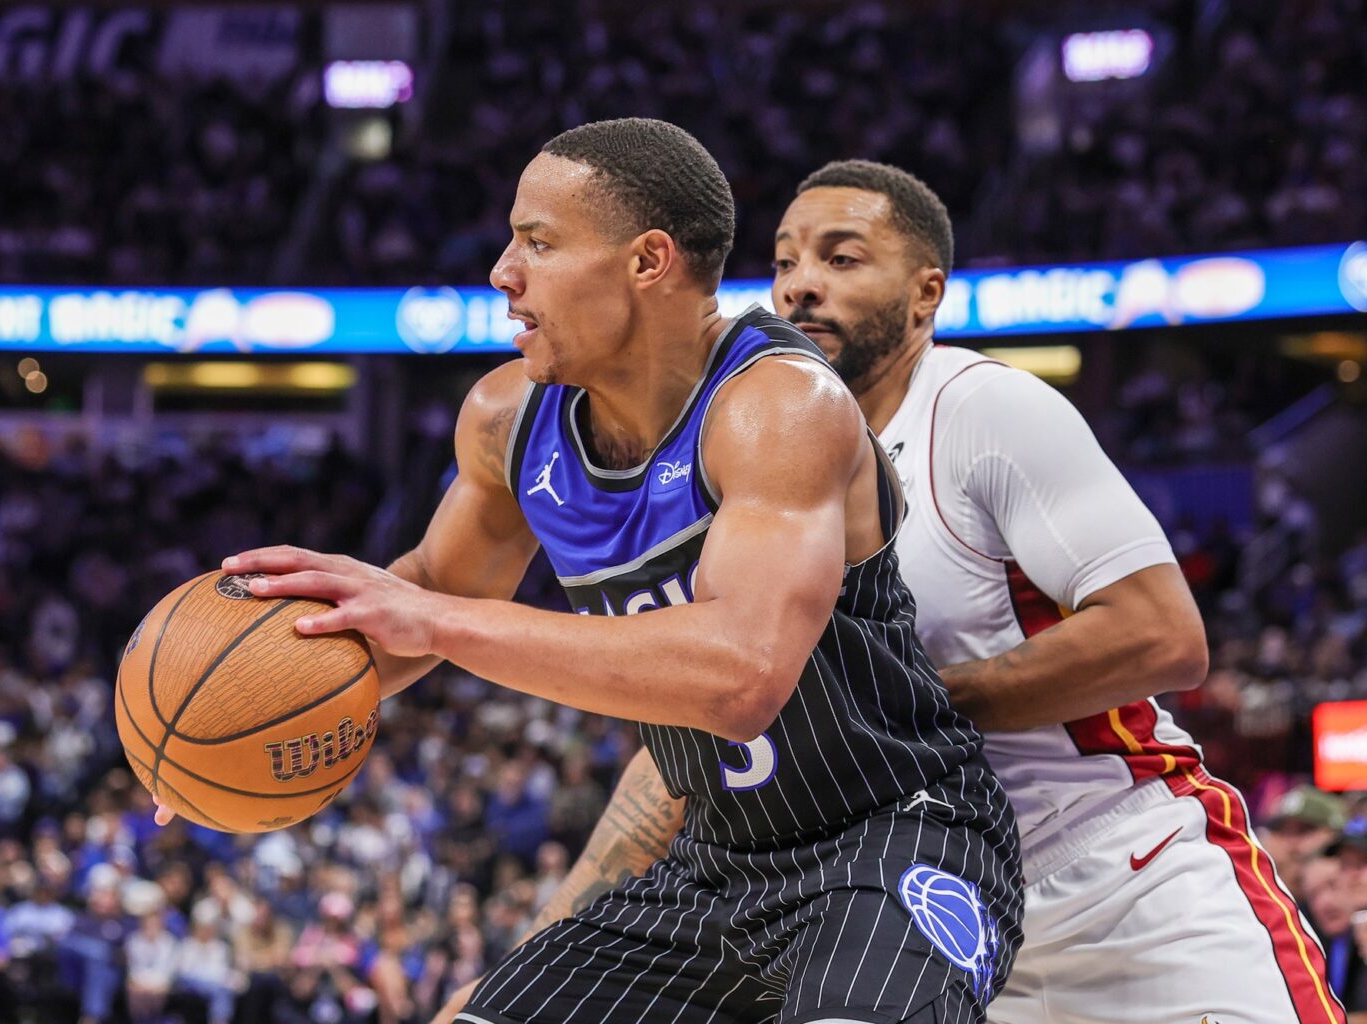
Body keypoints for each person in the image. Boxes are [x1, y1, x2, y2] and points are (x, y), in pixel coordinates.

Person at [159, 118, 1023, 1022]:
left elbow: (740, 675)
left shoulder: (778, 405)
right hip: (716, 865)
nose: (503, 272)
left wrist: (432, 619)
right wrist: (215, 720)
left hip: (895, 836)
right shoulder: (506, 419)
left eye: (537, 242)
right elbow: (428, 597)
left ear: (647, 261)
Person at [480, 157, 1342, 1024]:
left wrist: (891, 716)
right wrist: (542, 940)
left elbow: (1162, 635)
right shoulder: (746, 439)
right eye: (784, 261)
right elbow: (699, 732)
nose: (801, 285)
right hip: (910, 903)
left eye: (841, 258)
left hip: (1122, 874)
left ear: (927, 293)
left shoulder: (983, 408)